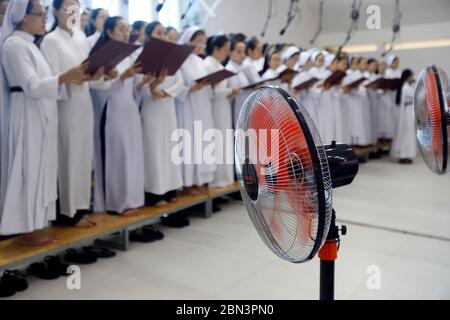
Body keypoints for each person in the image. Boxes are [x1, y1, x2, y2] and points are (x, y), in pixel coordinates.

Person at [0, 0, 87, 245]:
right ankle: (26, 229)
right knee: (28, 169)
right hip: (27, 114)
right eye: (39, 14)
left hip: (41, 114)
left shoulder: (32, 46)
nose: (44, 19)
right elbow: (30, 85)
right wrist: (64, 77)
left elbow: (46, 82)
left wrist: (67, 79)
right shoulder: (14, 45)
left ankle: (37, 224)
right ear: (23, 17)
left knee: (41, 170)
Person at [40, 0, 105, 228]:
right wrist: (72, 78)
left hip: (83, 103)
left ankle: (80, 208)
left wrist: (98, 74)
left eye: (75, 8)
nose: (72, 12)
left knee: (83, 157)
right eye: (67, 8)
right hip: (65, 107)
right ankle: (67, 214)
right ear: (56, 11)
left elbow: (87, 73)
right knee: (68, 156)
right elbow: (51, 79)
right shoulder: (50, 40)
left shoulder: (79, 38)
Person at [91, 16, 148, 215]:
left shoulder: (130, 55)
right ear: (109, 32)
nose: (126, 32)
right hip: (112, 108)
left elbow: (134, 89)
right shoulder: (104, 54)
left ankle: (132, 199)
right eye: (121, 29)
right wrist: (123, 76)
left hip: (130, 108)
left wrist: (146, 82)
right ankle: (117, 203)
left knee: (132, 154)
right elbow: (98, 87)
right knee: (118, 154)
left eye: (127, 29)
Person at [140, 21, 184, 207]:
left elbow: (180, 82)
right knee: (154, 150)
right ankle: (155, 193)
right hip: (151, 108)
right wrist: (153, 87)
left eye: (164, 32)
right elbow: (138, 86)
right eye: (158, 33)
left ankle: (170, 188)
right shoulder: (144, 56)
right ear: (149, 36)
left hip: (167, 107)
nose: (163, 36)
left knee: (169, 148)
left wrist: (165, 92)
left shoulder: (171, 55)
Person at [176, 26, 216, 194]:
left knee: (203, 142)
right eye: (197, 42)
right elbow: (177, 86)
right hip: (188, 105)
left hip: (202, 105)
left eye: (203, 43)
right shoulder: (181, 61)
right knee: (190, 142)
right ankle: (189, 182)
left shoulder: (200, 61)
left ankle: (203, 180)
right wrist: (190, 88)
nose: (201, 46)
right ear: (188, 41)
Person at [205, 34, 237, 188]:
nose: (227, 53)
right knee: (216, 141)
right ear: (216, 49)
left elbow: (220, 90)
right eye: (225, 49)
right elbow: (211, 90)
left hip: (223, 105)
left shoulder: (220, 65)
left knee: (224, 140)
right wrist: (228, 90)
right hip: (214, 107)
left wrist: (230, 93)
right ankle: (216, 180)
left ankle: (225, 180)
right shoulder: (208, 64)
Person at [391, 69, 416, 164]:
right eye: (411, 76)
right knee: (406, 133)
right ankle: (403, 154)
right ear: (407, 77)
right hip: (406, 112)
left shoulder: (407, 86)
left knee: (408, 134)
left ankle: (406, 154)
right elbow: (415, 95)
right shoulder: (406, 87)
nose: (413, 78)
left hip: (408, 111)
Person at [226, 36, 251, 125]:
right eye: (238, 52)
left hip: (245, 107)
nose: (242, 55)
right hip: (235, 110)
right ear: (230, 52)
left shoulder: (241, 68)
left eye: (243, 52)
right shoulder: (229, 70)